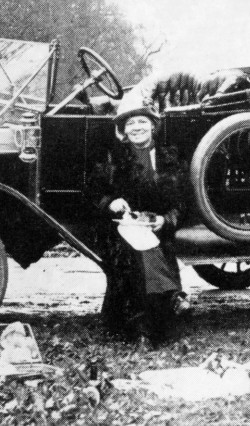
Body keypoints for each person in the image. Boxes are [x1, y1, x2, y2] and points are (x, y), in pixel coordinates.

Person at [88, 96, 191, 347]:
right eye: (130, 123)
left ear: (153, 126)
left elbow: (183, 203)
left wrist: (164, 220)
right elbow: (92, 193)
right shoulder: (113, 157)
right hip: (119, 227)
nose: (136, 128)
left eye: (142, 122)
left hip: (156, 226)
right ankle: (170, 299)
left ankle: (145, 331)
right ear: (123, 130)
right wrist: (110, 203)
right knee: (139, 251)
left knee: (149, 247)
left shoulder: (169, 157)